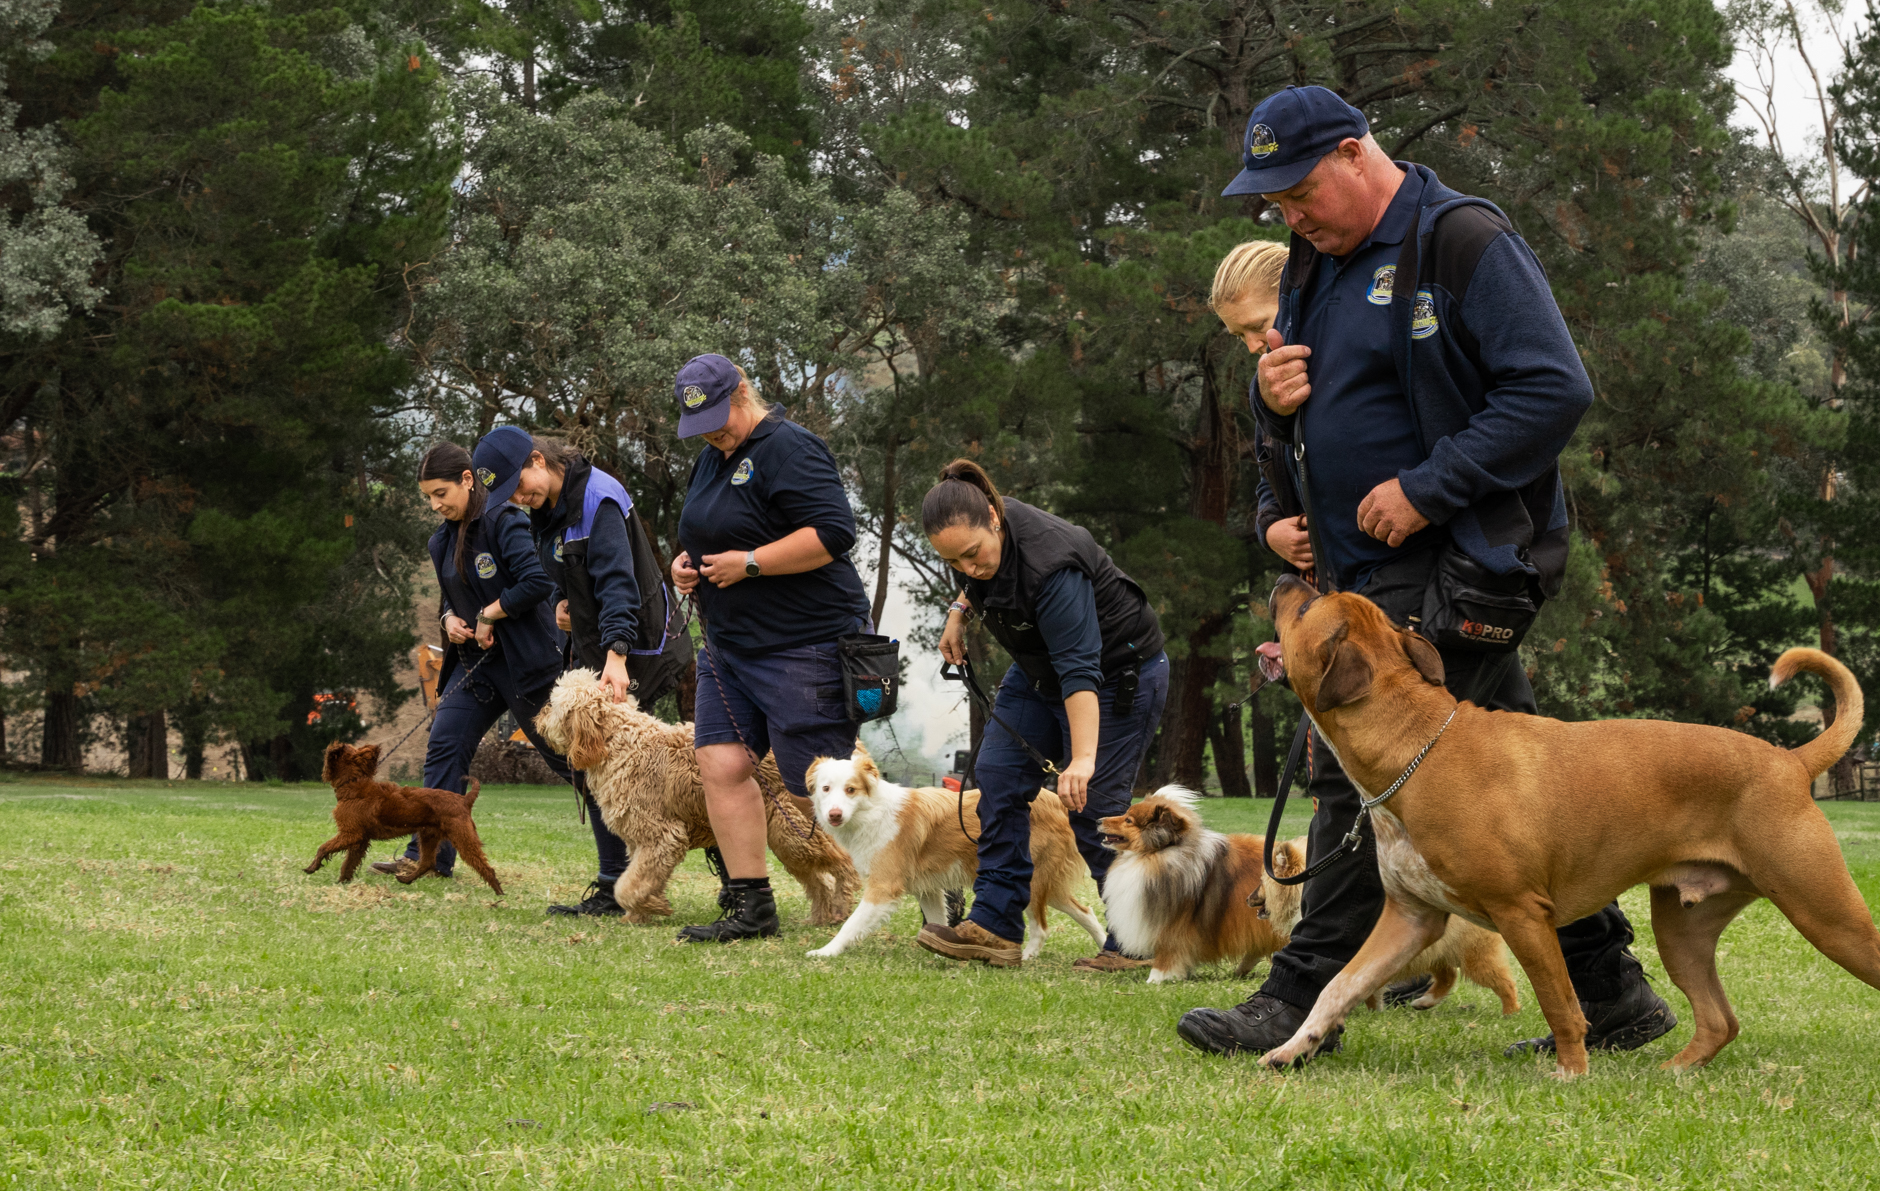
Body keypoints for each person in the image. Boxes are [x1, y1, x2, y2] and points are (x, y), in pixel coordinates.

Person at [1176, 85, 1676, 1061]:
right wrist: (1269, 402)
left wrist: (1426, 488)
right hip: (1359, 574)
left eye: (1298, 191)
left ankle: (1296, 998)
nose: (1289, 216)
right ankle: (1610, 992)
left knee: (1354, 773)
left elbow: (1551, 388)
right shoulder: (1320, 261)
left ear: (1356, 155)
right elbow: (1304, 406)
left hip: (1464, 562)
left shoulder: (1461, 242)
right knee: (1507, 794)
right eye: (1271, 204)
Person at [920, 459, 1170, 969]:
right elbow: (978, 573)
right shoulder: (979, 539)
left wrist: (1081, 760)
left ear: (994, 517)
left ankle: (1138, 939)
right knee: (997, 775)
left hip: (1118, 675)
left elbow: (1081, 670)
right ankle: (994, 925)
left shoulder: (1052, 565)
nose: (969, 569)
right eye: (955, 563)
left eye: (973, 555)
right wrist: (959, 611)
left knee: (1093, 806)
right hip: (1039, 671)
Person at [667, 353, 871, 943]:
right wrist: (687, 567)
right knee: (721, 765)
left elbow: (834, 534)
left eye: (716, 420)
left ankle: (929, 866)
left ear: (741, 394)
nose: (709, 434)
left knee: (820, 786)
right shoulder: (709, 461)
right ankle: (751, 906)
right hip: (729, 645)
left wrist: (752, 564)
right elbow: (704, 534)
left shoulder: (791, 447)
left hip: (802, 641)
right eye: (696, 427)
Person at [473, 424, 691, 917]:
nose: (521, 499)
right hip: (597, 645)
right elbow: (559, 578)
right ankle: (619, 883)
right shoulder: (546, 511)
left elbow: (619, 585)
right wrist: (561, 606)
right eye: (510, 496)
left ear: (537, 460)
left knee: (675, 773)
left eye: (520, 486)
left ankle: (727, 885)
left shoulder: (598, 499)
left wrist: (616, 654)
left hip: (638, 647)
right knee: (601, 769)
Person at [372, 441, 580, 880]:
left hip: (526, 665)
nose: (435, 505)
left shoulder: (505, 521)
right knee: (444, 747)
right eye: (428, 497)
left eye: (441, 494)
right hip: (475, 667)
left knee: (571, 761)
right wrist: (450, 619)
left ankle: (629, 846)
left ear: (467, 480)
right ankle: (427, 858)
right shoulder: (439, 541)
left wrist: (490, 613)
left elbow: (537, 581)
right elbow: (452, 598)